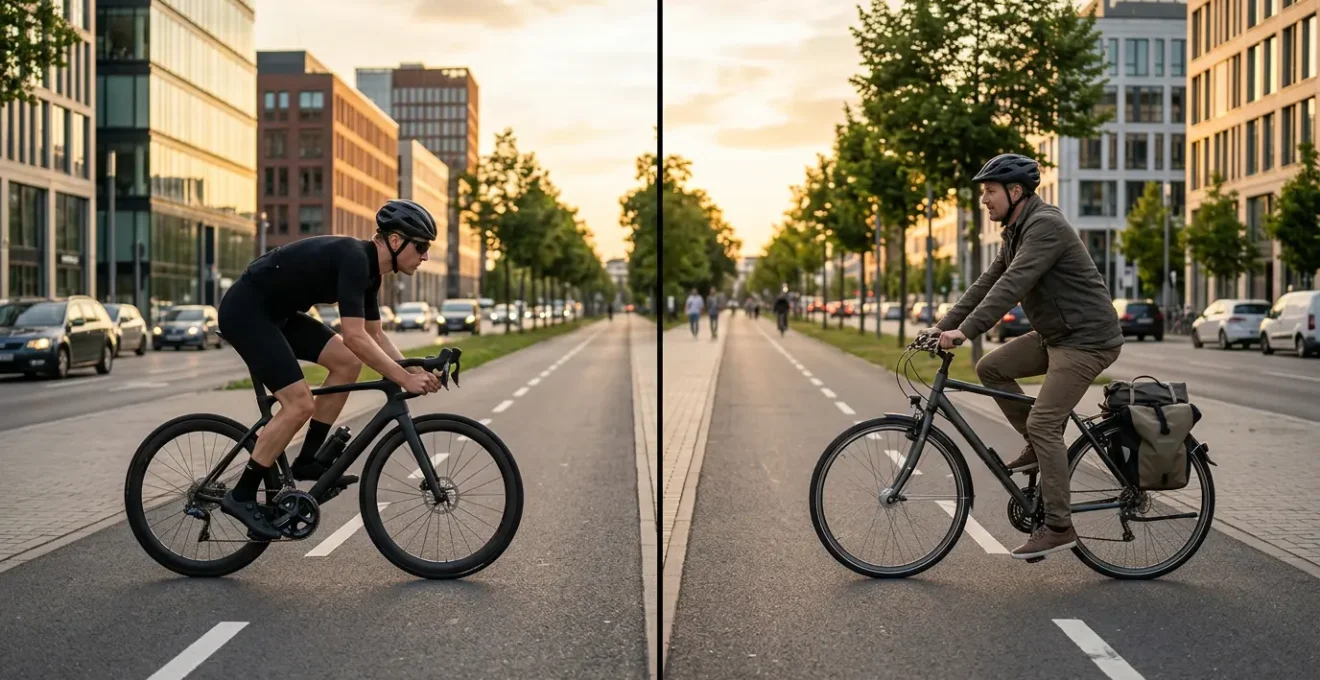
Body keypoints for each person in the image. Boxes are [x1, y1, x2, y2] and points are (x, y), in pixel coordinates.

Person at [924, 153, 1123, 561]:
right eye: (984, 192)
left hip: (1087, 340)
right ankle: (1036, 444)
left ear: (1015, 192)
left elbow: (1013, 285)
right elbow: (988, 281)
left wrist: (966, 331)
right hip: (1056, 335)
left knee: (1046, 421)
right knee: (991, 367)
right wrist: (942, 324)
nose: (984, 200)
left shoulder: (1045, 227)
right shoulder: (1016, 231)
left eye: (990, 191)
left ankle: (1059, 527)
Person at [216, 199, 443, 539]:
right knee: (299, 403)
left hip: (278, 315)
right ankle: (242, 494)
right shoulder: (355, 260)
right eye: (421, 246)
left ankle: (307, 459)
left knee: (346, 363)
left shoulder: (371, 273)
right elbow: (353, 335)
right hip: (247, 312)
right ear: (396, 242)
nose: (425, 256)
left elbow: (374, 334)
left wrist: (415, 367)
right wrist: (403, 378)